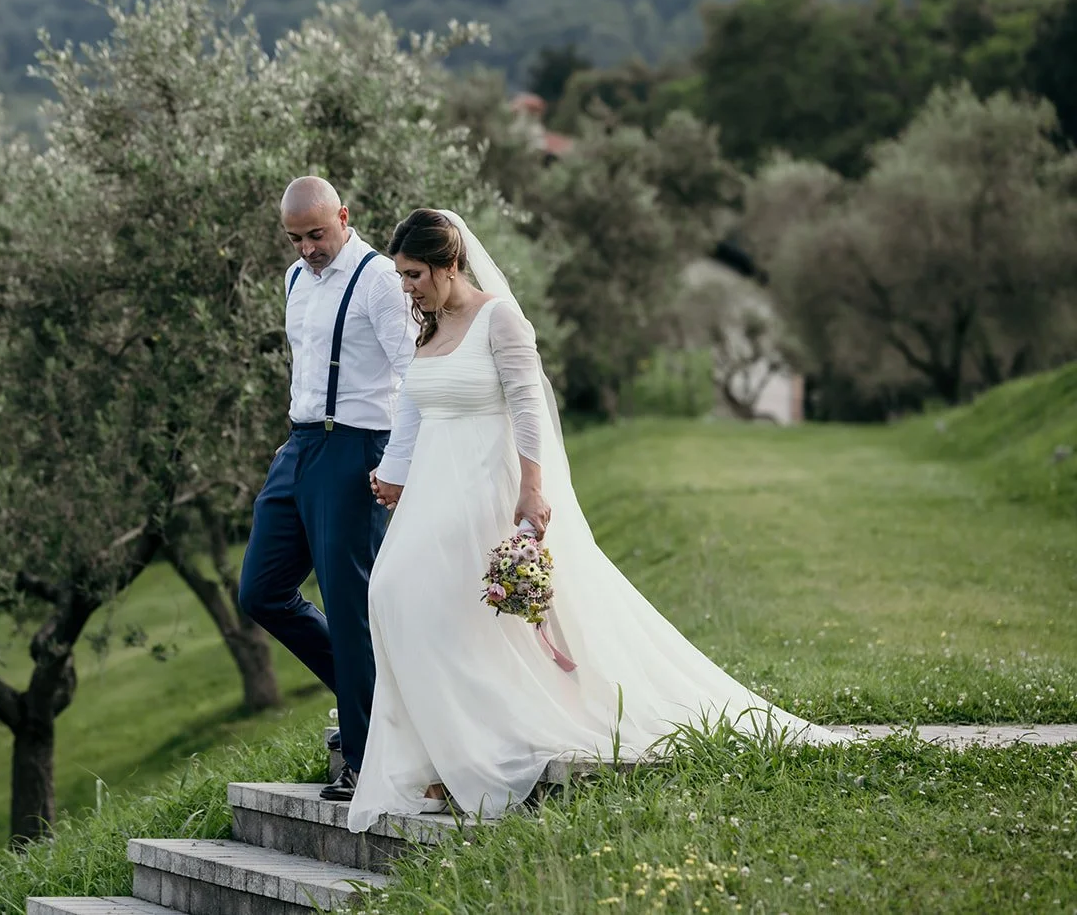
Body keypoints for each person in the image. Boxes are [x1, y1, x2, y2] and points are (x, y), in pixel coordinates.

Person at [348, 208, 843, 833]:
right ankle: (445, 747)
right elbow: (417, 408)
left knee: (446, 604)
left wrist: (532, 487)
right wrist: (393, 470)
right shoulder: (429, 328)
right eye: (401, 275)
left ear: (450, 265)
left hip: (484, 483)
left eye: (415, 273)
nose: (406, 286)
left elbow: (528, 401)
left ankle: (471, 751)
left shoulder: (499, 319)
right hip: (431, 488)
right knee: (393, 593)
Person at [238, 176, 419, 802]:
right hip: (300, 447)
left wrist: (394, 464)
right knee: (260, 591)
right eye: (295, 238)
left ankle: (366, 759)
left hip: (357, 449)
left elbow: (413, 380)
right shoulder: (294, 280)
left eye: (317, 234)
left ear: (344, 216)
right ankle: (374, 698)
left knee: (349, 604)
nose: (308, 248)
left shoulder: (377, 280)